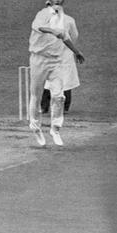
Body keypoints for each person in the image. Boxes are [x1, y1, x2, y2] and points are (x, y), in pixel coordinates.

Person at [28, 0, 84, 147]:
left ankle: (55, 129)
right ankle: (36, 127)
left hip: (57, 62)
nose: (58, 4)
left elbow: (66, 37)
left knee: (59, 96)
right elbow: (38, 26)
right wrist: (53, 30)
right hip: (38, 60)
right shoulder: (42, 14)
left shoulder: (64, 19)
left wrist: (77, 52)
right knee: (36, 95)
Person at [41, 0, 80, 114]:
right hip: (57, 54)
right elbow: (74, 37)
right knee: (57, 81)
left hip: (58, 55)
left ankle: (46, 107)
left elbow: (73, 36)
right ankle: (61, 108)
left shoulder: (65, 20)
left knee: (62, 81)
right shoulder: (67, 20)